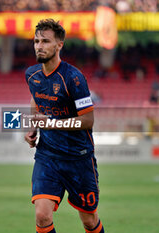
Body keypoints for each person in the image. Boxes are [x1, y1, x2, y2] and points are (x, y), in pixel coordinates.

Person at [24, 19, 104, 233]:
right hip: (47, 156)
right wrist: (33, 127)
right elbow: (36, 99)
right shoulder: (32, 75)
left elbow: (88, 120)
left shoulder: (74, 78)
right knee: (42, 215)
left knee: (89, 220)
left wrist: (51, 123)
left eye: (45, 41)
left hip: (79, 158)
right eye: (36, 41)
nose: (39, 46)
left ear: (59, 45)